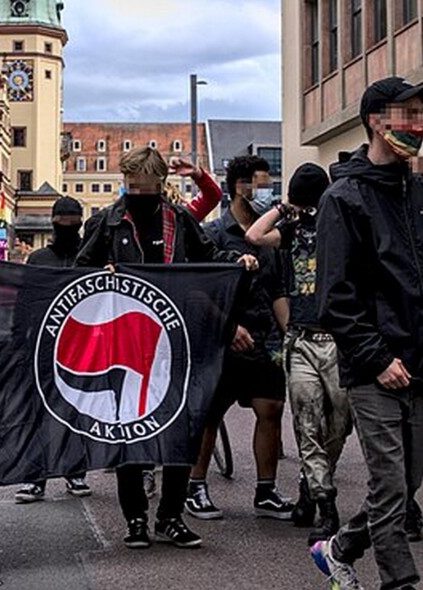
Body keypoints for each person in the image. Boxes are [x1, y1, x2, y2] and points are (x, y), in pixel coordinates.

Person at [310, 77, 423, 590]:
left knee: (405, 484)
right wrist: (376, 358)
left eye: (422, 115)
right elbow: (335, 297)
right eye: (409, 114)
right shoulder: (343, 198)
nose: (420, 125)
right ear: (377, 122)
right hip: (375, 371)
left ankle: (339, 549)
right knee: (391, 485)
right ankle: (400, 581)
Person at [77, 146, 257, 550]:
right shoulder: (106, 222)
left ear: (161, 184)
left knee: (181, 428)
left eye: (145, 187)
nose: (137, 194)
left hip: (176, 341)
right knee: (129, 430)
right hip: (126, 342)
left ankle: (171, 516)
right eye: (131, 186)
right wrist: (100, 274)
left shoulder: (178, 219)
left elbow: (209, 256)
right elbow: (79, 273)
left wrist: (238, 260)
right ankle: (136, 518)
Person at [184, 155, 296, 522]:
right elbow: (196, 290)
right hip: (221, 341)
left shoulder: (270, 236)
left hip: (264, 340)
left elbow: (278, 289)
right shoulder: (213, 234)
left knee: (271, 409)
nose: (266, 191)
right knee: (209, 414)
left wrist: (291, 334)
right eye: (260, 184)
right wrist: (228, 327)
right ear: (238, 186)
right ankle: (195, 486)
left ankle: (266, 491)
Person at [248, 163, 354, 546]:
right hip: (302, 339)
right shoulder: (292, 230)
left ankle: (312, 484)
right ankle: (326, 504)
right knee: (307, 424)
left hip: (338, 339)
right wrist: (284, 207)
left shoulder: (341, 227)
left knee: (339, 426)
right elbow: (254, 235)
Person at [15, 196, 93, 503]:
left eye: (72, 225)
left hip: (81, 348)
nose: (67, 229)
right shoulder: (39, 260)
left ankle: (74, 471)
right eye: (63, 224)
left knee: (77, 411)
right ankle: (35, 477)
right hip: (44, 348)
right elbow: (24, 304)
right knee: (38, 413)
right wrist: (19, 341)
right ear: (53, 224)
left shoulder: (89, 258)